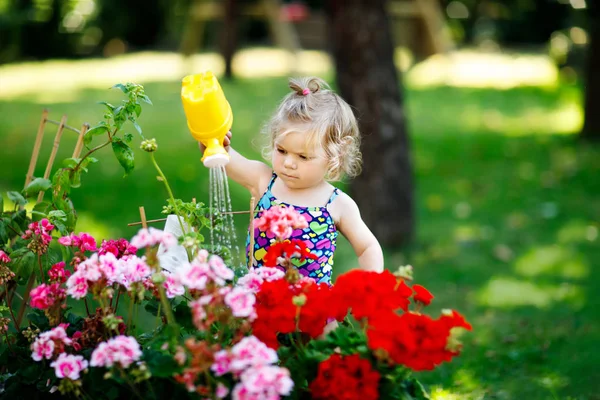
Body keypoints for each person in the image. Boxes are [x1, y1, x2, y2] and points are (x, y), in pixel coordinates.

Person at [201, 77, 384, 284]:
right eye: (281, 150)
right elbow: (226, 160)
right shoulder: (264, 181)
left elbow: (368, 247)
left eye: (303, 156)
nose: (288, 163)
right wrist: (215, 145)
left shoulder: (337, 204)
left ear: (337, 155)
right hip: (261, 304)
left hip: (310, 310)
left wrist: (371, 286)